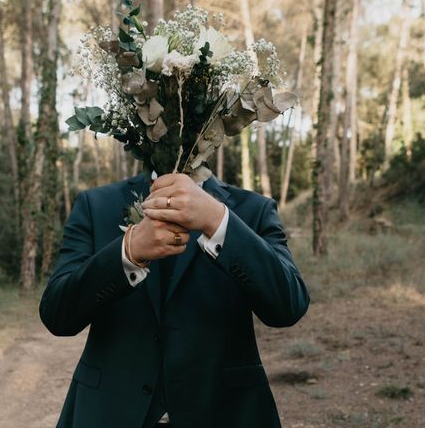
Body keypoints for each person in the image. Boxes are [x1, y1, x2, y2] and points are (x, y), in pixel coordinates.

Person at [39, 171, 310, 428]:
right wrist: (128, 251)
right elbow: (57, 314)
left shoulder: (253, 209)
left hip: (225, 414)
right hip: (109, 414)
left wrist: (217, 220)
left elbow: (289, 305)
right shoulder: (95, 204)